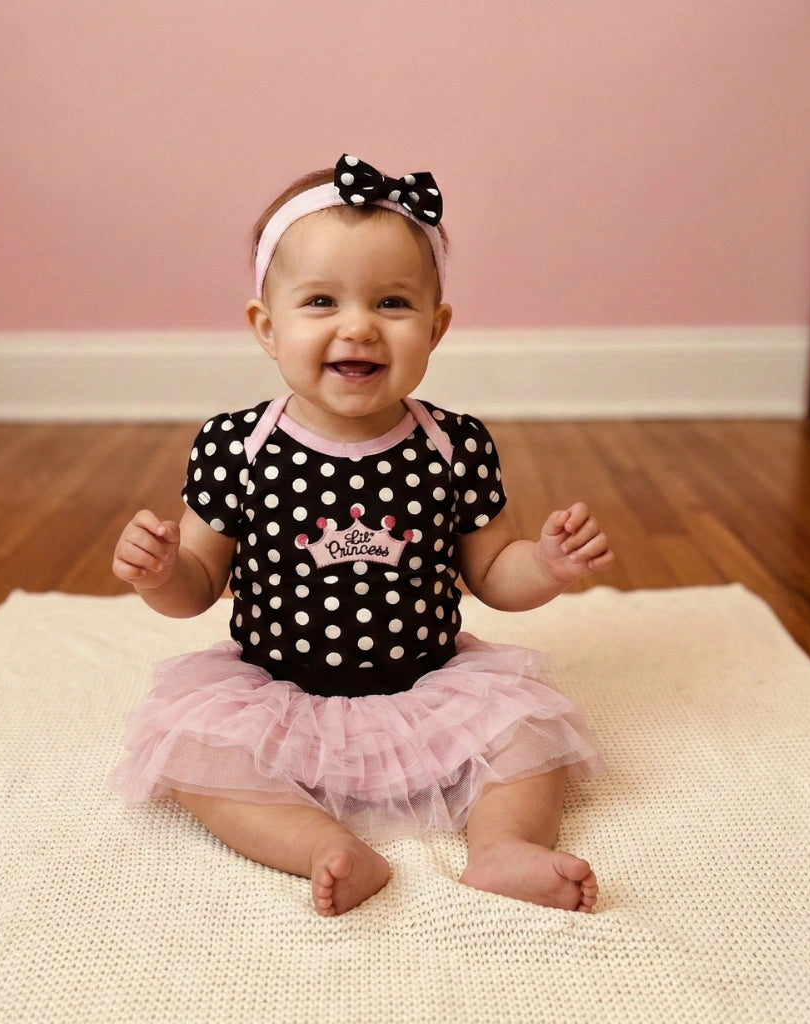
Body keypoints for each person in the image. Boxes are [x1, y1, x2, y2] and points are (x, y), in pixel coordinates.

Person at [110, 155, 614, 917]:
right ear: (266, 327)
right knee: (190, 752)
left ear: (436, 329)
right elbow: (199, 586)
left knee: (527, 733)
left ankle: (504, 847)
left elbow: (494, 576)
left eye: (392, 302)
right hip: (277, 691)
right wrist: (160, 573)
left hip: (429, 686)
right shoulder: (235, 447)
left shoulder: (454, 445)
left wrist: (543, 564)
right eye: (320, 301)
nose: (358, 326)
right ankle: (319, 846)